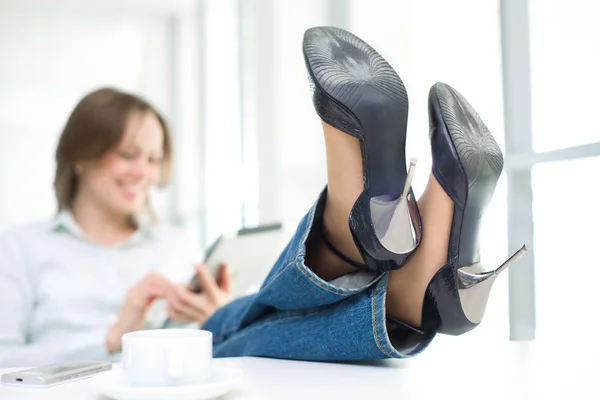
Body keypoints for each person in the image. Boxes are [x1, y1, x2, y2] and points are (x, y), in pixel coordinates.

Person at [199, 26, 527, 360]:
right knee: (221, 328)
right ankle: (392, 263)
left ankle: (378, 259)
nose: (142, 170)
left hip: (198, 326)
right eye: (140, 153)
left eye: (152, 158)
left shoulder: (168, 237)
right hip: (174, 332)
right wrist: (145, 304)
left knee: (223, 327)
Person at [0, 88, 233, 367]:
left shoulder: (178, 245)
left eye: (153, 159)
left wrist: (223, 319)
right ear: (80, 156)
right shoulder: (19, 246)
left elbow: (211, 360)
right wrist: (113, 337)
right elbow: (4, 360)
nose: (142, 173)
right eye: (126, 154)